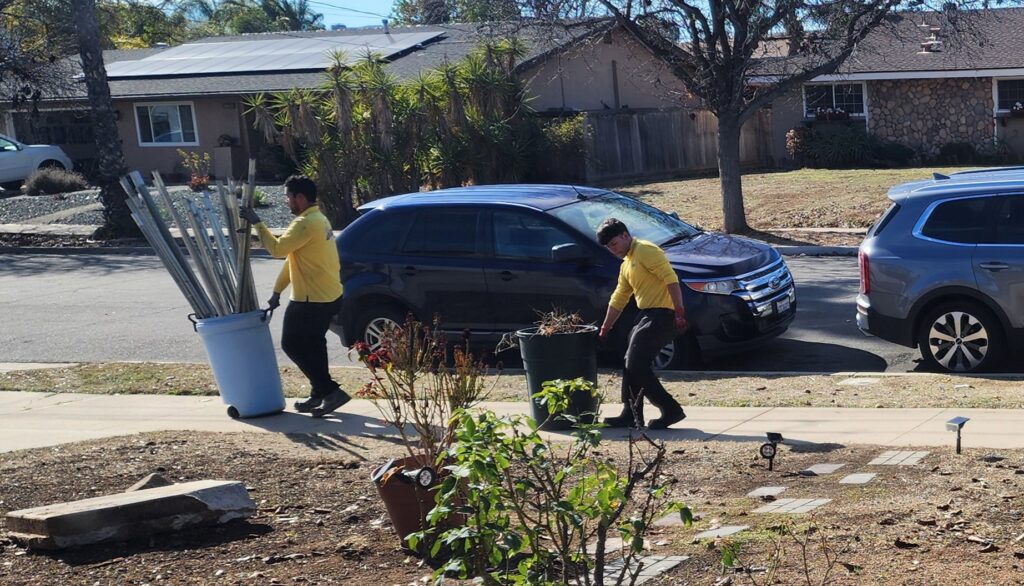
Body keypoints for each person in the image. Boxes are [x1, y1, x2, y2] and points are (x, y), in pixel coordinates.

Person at [239, 175, 350, 418]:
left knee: (291, 344)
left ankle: (330, 391)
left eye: (288, 196)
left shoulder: (304, 223)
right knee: (313, 345)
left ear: (300, 197)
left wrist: (258, 223)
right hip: (329, 295)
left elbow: (278, 250)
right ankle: (319, 394)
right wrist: (277, 291)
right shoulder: (319, 219)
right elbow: (293, 260)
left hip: (310, 299)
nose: (287, 201)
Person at [596, 218, 687, 430]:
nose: (612, 250)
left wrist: (679, 312)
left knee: (636, 363)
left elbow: (671, 279)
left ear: (625, 235)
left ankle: (671, 409)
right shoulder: (627, 263)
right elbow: (619, 297)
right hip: (647, 314)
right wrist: (605, 328)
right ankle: (631, 413)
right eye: (608, 247)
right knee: (630, 362)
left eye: (614, 244)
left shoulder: (646, 250)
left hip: (664, 314)